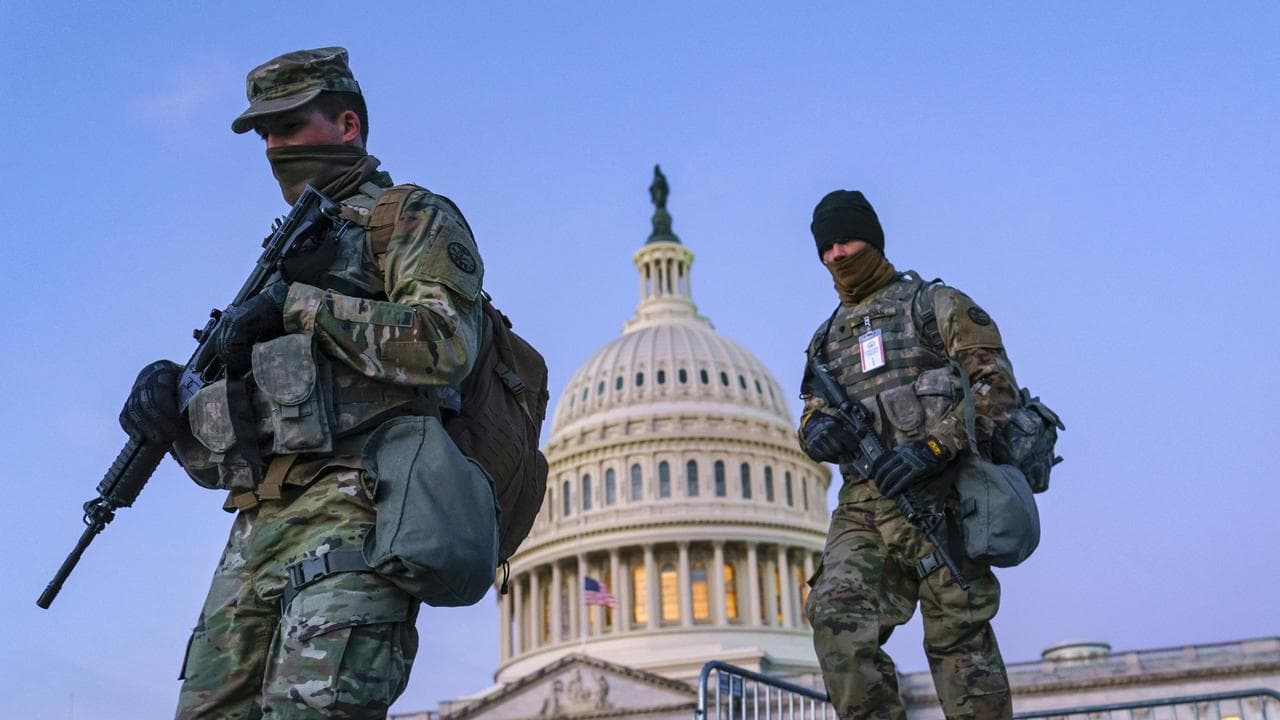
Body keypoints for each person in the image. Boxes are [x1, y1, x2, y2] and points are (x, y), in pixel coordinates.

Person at [117, 47, 484, 718]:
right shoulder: (275, 263)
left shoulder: (407, 218)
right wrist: (173, 406)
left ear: (347, 125)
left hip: (360, 509)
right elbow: (227, 457)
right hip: (257, 530)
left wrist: (300, 309)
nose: (274, 147)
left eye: (289, 127)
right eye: (264, 134)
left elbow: (446, 341)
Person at [798, 190, 1018, 719]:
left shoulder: (935, 307)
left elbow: (996, 389)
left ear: (871, 239)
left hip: (942, 499)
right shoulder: (825, 341)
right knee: (835, 623)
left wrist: (935, 447)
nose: (836, 255)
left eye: (845, 240)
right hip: (865, 508)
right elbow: (809, 413)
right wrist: (817, 433)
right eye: (825, 247)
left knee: (960, 648)